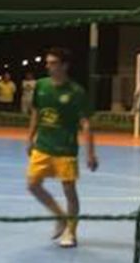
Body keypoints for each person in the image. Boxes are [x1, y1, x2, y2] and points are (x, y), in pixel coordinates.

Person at [26, 47, 98, 249]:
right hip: (43, 146)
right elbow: (36, 113)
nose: (48, 66)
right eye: (47, 62)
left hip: (65, 149)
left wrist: (91, 153)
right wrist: (30, 138)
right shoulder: (41, 85)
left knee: (69, 191)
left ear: (64, 65)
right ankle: (59, 216)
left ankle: (71, 232)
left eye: (53, 62)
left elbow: (86, 123)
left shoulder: (76, 92)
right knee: (33, 185)